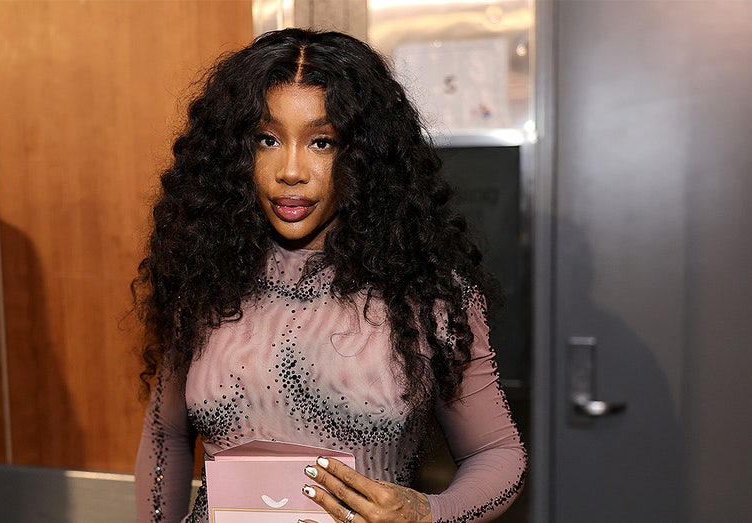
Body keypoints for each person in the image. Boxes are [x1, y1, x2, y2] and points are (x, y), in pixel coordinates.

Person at [133, 28, 526, 523]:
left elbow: (497, 454)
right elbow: (166, 437)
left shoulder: (428, 295)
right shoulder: (207, 278)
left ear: (363, 155)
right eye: (267, 139)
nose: (290, 170)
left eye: (322, 142)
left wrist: (428, 513)